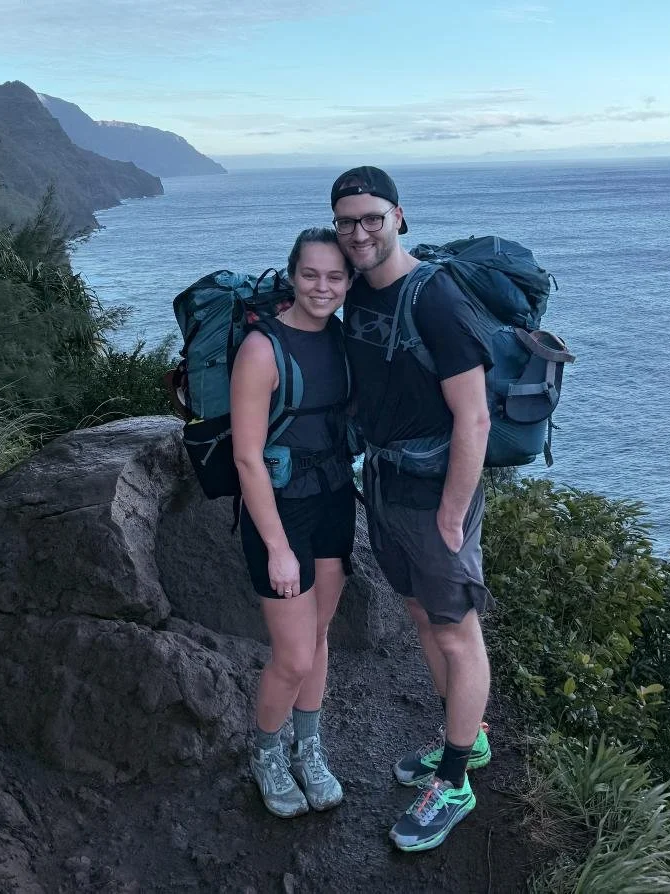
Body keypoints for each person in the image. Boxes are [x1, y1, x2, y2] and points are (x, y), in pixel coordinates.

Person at [331, 167, 494, 851]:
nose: (359, 232)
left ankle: (454, 783)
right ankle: (466, 738)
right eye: (347, 221)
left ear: (399, 216)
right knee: (423, 616)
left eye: (372, 217)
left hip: (434, 491)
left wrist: (453, 515)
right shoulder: (358, 290)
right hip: (386, 481)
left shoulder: (437, 298)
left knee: (456, 630)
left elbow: (475, 417)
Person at [231, 227, 355, 819]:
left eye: (334, 276)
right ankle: (266, 753)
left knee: (320, 635)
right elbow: (246, 458)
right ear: (292, 275)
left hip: (334, 498)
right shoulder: (262, 349)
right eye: (310, 275)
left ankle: (308, 749)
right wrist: (277, 548)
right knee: (294, 656)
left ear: (349, 281)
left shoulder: (342, 337)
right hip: (280, 513)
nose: (322, 287)